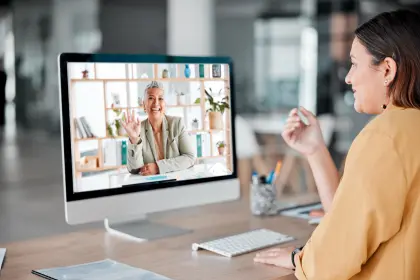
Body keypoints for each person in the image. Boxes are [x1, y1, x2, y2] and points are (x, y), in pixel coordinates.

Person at [254, 9, 420, 280]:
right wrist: (315, 150)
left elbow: (331, 262)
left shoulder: (386, 137)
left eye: (354, 64)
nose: (348, 78)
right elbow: (348, 222)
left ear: (387, 70)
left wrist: (300, 259)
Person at [122, 81, 195, 175]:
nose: (156, 103)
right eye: (151, 98)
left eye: (160, 98)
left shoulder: (177, 124)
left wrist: (158, 167)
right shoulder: (138, 129)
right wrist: (134, 139)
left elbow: (189, 157)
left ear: (165, 104)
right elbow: (134, 169)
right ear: (144, 105)